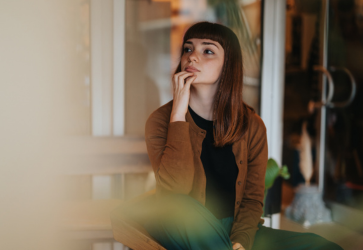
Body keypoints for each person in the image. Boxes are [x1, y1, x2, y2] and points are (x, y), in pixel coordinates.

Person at [143, 21, 342, 250]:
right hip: (183, 224)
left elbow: (252, 199)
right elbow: (175, 190)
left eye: (207, 50)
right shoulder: (160, 121)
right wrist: (178, 112)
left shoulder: (252, 126)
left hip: (233, 229)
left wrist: (241, 241)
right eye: (188, 49)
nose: (192, 57)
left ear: (228, 64)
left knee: (324, 247)